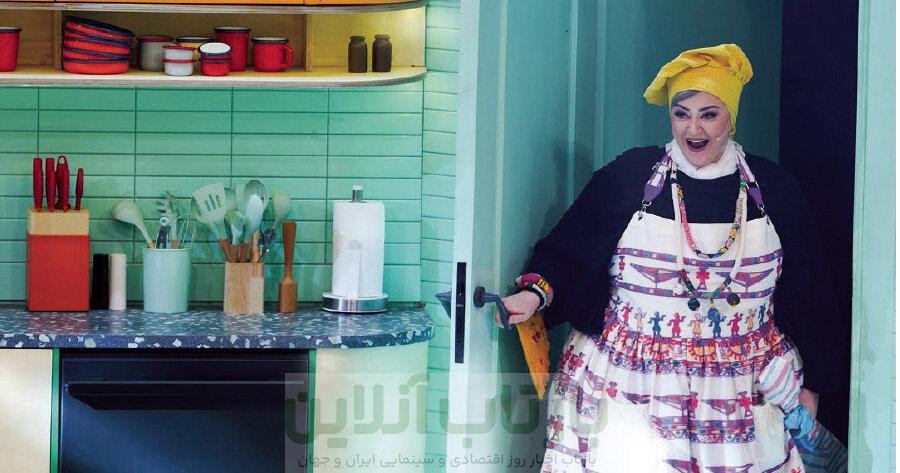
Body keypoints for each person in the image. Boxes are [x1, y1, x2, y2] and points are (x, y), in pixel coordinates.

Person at [498, 44, 846, 472]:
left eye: (709, 114)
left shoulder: (775, 188)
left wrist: (814, 386)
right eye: (681, 114)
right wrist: (532, 296)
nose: (693, 128)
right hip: (629, 378)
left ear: (731, 117)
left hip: (742, 384)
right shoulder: (630, 175)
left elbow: (810, 289)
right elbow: (570, 250)